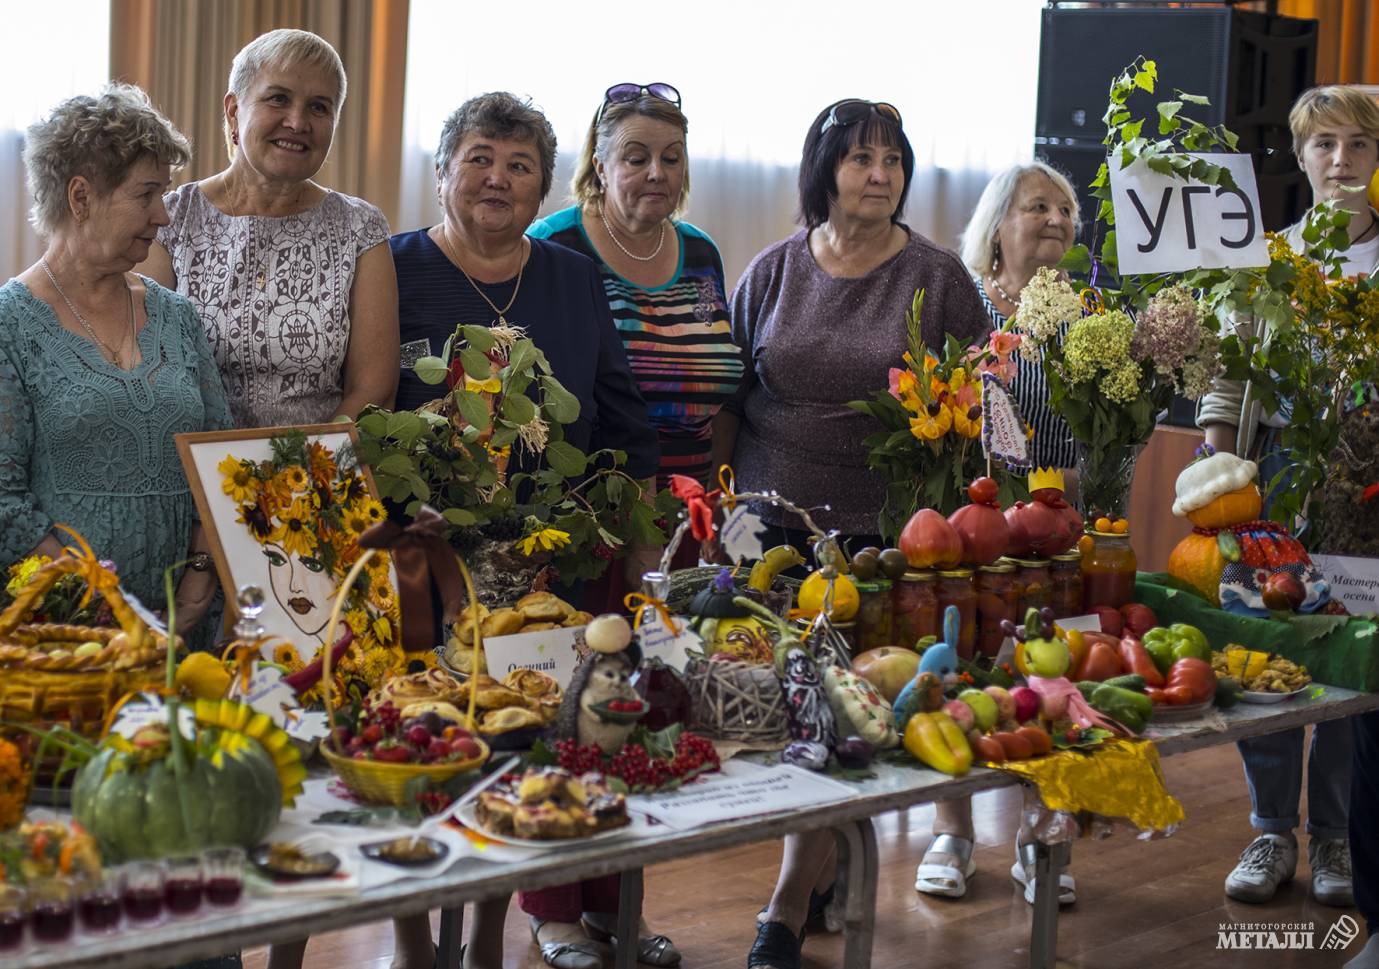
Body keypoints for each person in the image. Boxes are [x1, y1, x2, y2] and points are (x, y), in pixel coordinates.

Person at [390, 91, 661, 969]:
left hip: (549, 560)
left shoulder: (573, 277)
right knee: (428, 745)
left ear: (543, 183)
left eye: (517, 165)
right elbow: (365, 413)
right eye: (477, 158)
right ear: (441, 171)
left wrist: (643, 536)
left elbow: (618, 414)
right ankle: (411, 935)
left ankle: (489, 937)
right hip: (423, 565)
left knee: (522, 743)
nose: (496, 178)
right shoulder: (391, 269)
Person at [719, 98, 991, 969]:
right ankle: (820, 871)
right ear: (823, 169)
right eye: (860, 158)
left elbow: (984, 405)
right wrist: (719, 510)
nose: (879, 174)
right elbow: (732, 396)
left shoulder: (938, 277)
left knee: (845, 714)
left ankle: (785, 906)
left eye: (892, 160)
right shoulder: (772, 269)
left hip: (884, 534)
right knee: (779, 713)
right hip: (768, 525)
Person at [1199, 85, 1379, 910]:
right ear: (1300, 157)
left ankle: (1336, 833)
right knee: (1264, 650)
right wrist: (1214, 462)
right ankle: (1270, 826)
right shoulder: (1265, 254)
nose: (1338, 162)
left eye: (1357, 146)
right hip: (1270, 476)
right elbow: (1228, 376)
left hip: (1364, 488)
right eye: (1323, 145)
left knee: (1343, 658)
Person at [0, 84, 230, 639]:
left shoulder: (177, 316)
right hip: (66, 630)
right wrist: (97, 608)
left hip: (186, 622)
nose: (163, 216)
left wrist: (200, 576)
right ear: (81, 197)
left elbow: (220, 456)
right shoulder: (9, 323)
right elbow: (3, 496)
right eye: (146, 194)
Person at [913, 161, 1082, 904]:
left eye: (1065, 210)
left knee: (1047, 672)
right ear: (996, 222)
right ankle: (950, 829)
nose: (1054, 219)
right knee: (957, 659)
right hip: (966, 519)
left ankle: (1041, 827)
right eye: (1036, 206)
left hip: (1051, 522)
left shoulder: (1085, 312)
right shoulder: (962, 299)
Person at [528, 82, 743, 605]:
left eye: (672, 158)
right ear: (600, 165)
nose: (657, 172)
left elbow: (724, 396)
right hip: (587, 520)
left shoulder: (700, 252)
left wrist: (717, 501)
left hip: (686, 512)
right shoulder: (554, 246)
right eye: (636, 157)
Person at [141, 28, 398, 428]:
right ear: (233, 111)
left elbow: (373, 390)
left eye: (319, 107)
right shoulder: (168, 221)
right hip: (190, 469)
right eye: (278, 98)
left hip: (317, 476)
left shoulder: (360, 228)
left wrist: (298, 476)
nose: (297, 122)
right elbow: (148, 371)